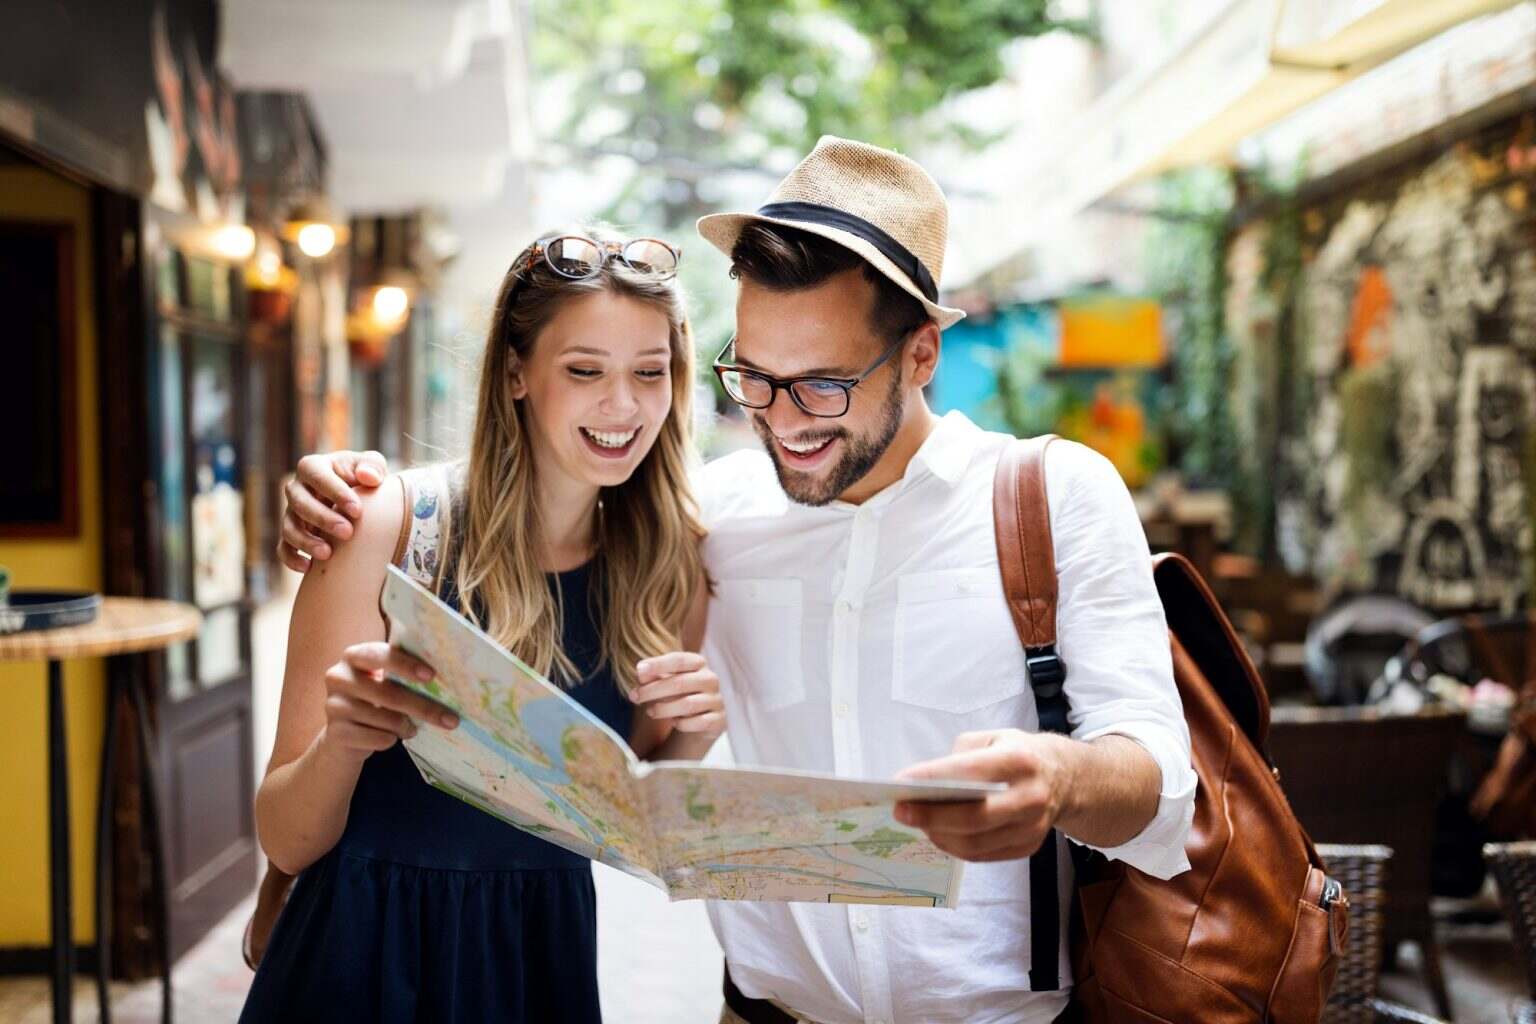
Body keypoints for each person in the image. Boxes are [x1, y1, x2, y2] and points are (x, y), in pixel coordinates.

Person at [278, 138, 1196, 1024]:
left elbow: (1161, 784)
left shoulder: (1050, 495)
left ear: (921, 354)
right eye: (753, 379)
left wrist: (1059, 776)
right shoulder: (703, 520)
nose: (784, 421)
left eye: (822, 385)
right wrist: (341, 485)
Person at [243, 229, 726, 1024]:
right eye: (584, 371)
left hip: (539, 954)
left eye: (651, 372)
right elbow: (285, 840)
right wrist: (344, 741)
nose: (624, 405)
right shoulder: (385, 526)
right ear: (514, 374)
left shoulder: (672, 562)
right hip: (363, 953)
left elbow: (615, 804)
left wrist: (694, 737)